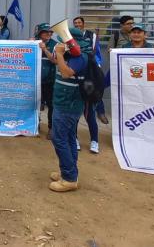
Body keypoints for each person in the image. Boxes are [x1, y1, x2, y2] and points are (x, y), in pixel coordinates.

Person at [47, 28, 89, 192]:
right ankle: (69, 171)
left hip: (68, 105)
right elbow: (58, 63)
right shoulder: (72, 54)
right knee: (69, 137)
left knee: (59, 139)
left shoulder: (81, 57)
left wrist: (60, 54)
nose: (59, 44)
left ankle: (70, 178)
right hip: (64, 102)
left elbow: (65, 73)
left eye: (61, 41)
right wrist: (57, 54)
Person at [72, 15, 108, 127]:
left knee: (95, 89)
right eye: (75, 23)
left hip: (91, 66)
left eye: (79, 22)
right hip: (78, 66)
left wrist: (96, 64)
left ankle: (100, 112)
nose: (77, 24)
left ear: (83, 23)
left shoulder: (91, 35)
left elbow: (96, 50)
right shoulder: (71, 36)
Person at [37, 23, 57, 140]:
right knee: (36, 104)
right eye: (46, 32)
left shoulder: (55, 44)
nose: (49, 34)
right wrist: (28, 43)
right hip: (36, 80)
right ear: (40, 33)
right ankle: (36, 124)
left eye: (50, 32)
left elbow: (55, 60)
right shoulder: (34, 42)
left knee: (51, 105)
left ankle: (51, 128)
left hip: (50, 80)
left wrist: (44, 49)